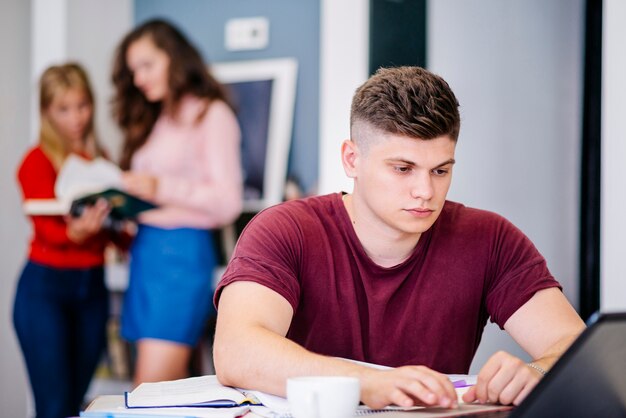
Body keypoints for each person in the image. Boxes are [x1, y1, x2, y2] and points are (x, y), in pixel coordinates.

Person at [213, 66, 586, 410]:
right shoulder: (284, 229)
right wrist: (366, 382)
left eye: (440, 170)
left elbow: (578, 350)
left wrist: (536, 374)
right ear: (351, 159)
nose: (425, 191)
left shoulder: (490, 238)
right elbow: (237, 349)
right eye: (403, 169)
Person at [111, 19, 243, 385]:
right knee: (162, 394)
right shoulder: (154, 120)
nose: (138, 79)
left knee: (147, 391)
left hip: (179, 254)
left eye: (146, 65)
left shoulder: (211, 115)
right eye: (133, 70)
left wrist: (158, 185)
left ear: (174, 57)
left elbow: (227, 202)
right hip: (146, 252)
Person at [14, 63, 126, 418]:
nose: (76, 117)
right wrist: (76, 233)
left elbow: (114, 236)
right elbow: (47, 231)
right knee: (54, 406)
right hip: (45, 290)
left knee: (76, 404)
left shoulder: (102, 161)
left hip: (92, 289)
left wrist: (131, 225)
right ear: (47, 111)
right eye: (64, 108)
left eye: (82, 105)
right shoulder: (35, 161)